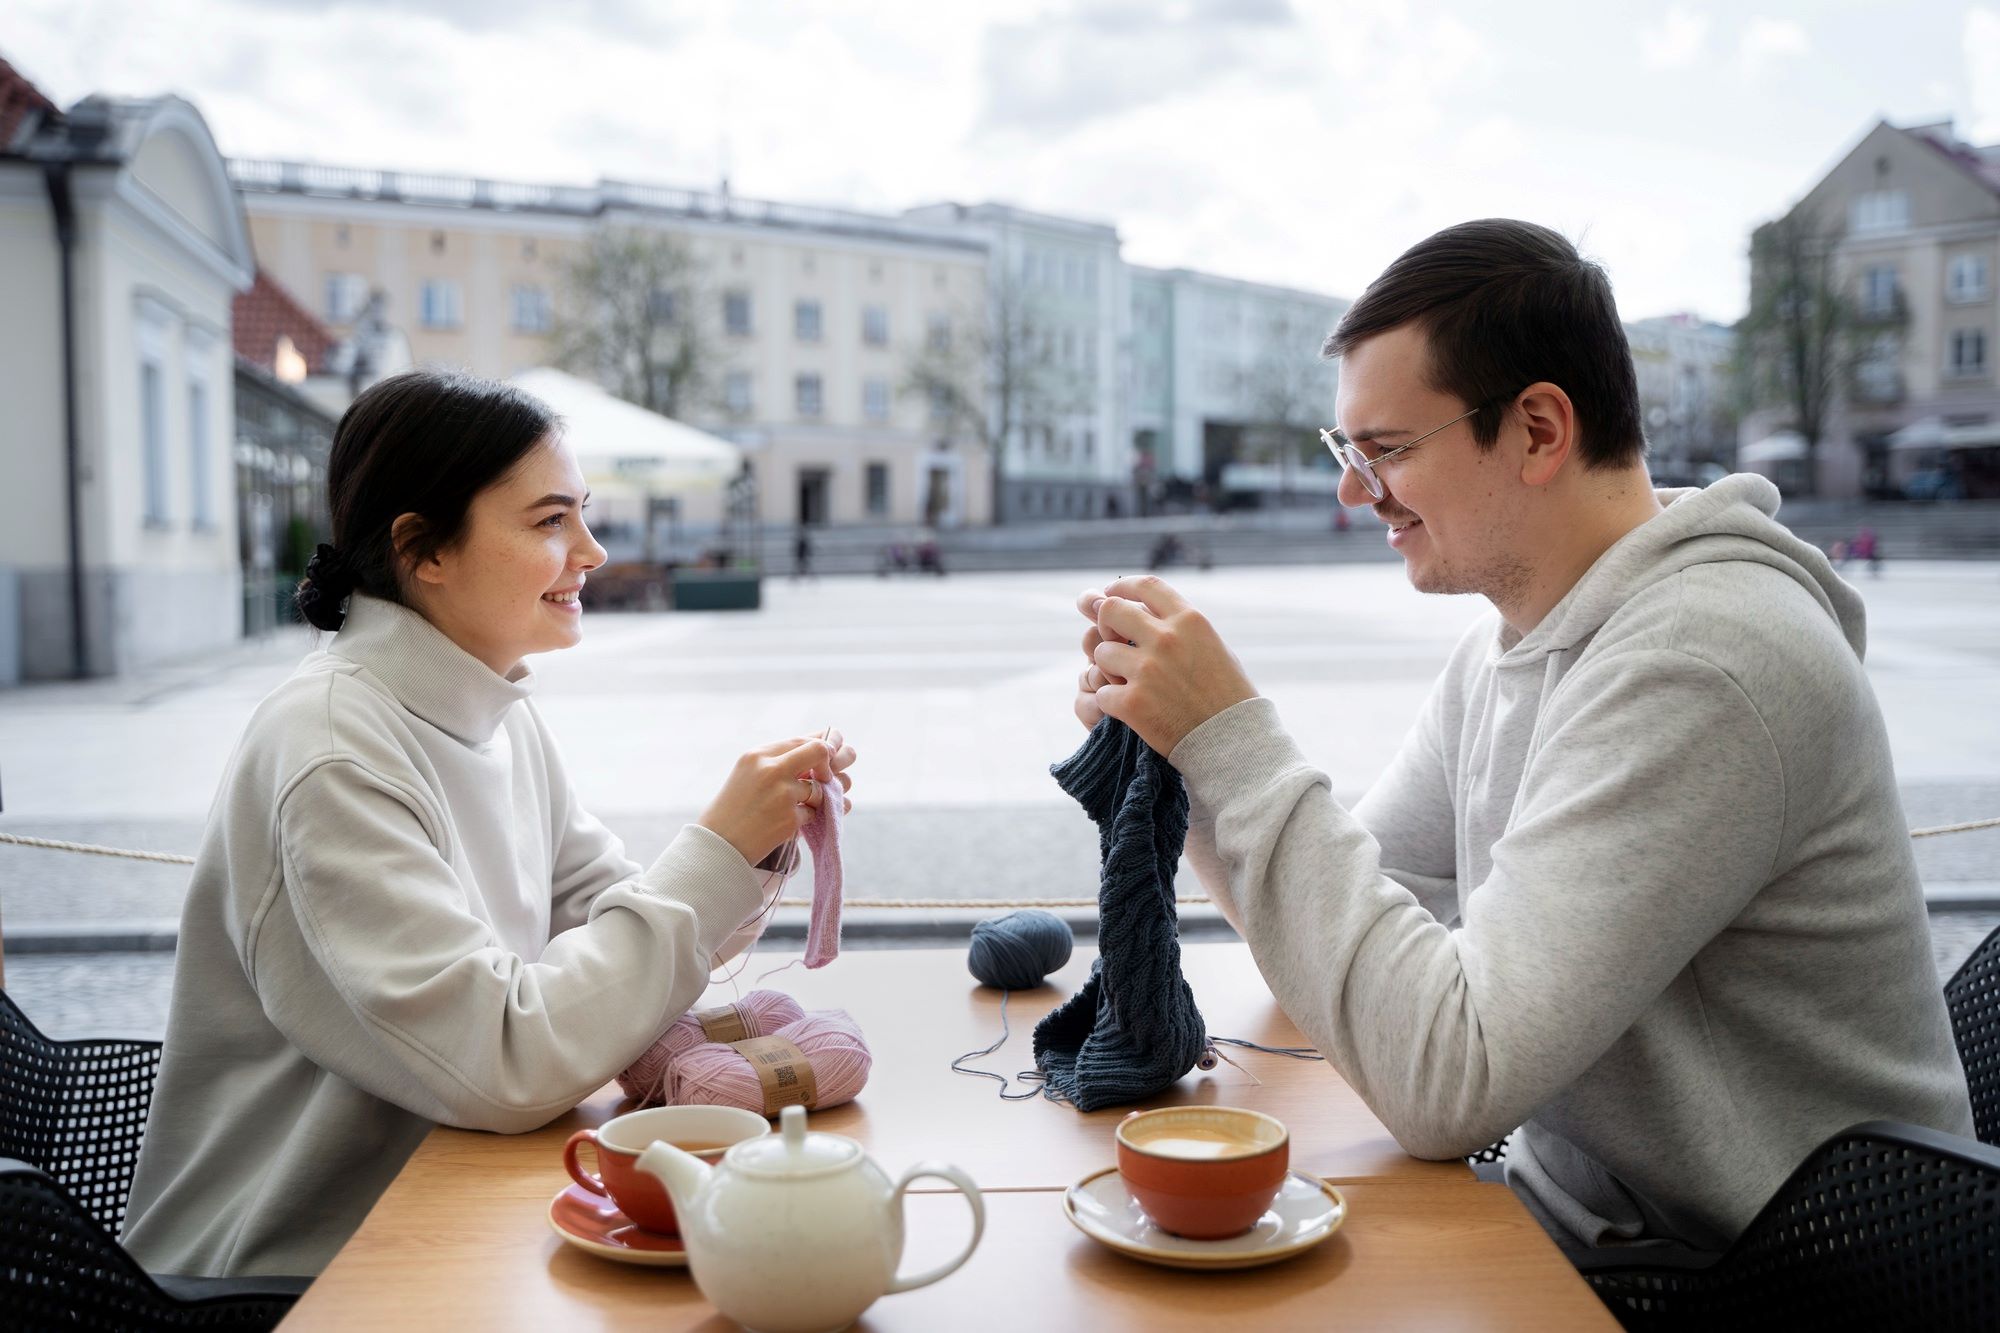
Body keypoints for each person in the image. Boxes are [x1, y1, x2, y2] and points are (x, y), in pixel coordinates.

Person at [1070, 220, 1972, 1263]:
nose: (1352, 492)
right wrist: (1179, 751)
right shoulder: (1515, 644)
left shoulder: (1704, 663)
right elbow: (1350, 937)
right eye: (1345, 450)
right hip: (1596, 1231)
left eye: (1386, 449)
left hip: (1767, 1281)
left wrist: (1229, 742)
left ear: (1539, 429)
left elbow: (1446, 1081)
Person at [122, 370, 856, 1278]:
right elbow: (504, 1060)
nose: (591, 549)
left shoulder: (491, 707)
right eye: (551, 521)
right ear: (423, 550)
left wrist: (754, 840)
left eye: (582, 514)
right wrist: (711, 852)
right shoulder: (332, 752)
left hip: (445, 1215)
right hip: (289, 1273)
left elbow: (612, 931)